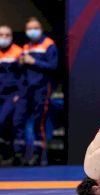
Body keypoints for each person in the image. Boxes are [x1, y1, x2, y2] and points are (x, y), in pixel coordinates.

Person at [16, 17, 58, 165]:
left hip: (42, 88)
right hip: (27, 90)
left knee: (38, 122)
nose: (32, 31)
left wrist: (33, 61)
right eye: (29, 29)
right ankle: (20, 156)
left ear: (40, 29)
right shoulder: (26, 46)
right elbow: (21, 71)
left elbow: (53, 66)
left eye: (35, 28)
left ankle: (40, 156)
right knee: (18, 121)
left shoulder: (49, 45)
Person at [0, 25, 23, 165]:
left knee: (5, 122)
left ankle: (15, 155)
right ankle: (5, 154)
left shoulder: (18, 52)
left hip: (12, 95)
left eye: (7, 35)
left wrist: (19, 93)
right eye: (1, 35)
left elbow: (23, 75)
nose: (4, 38)